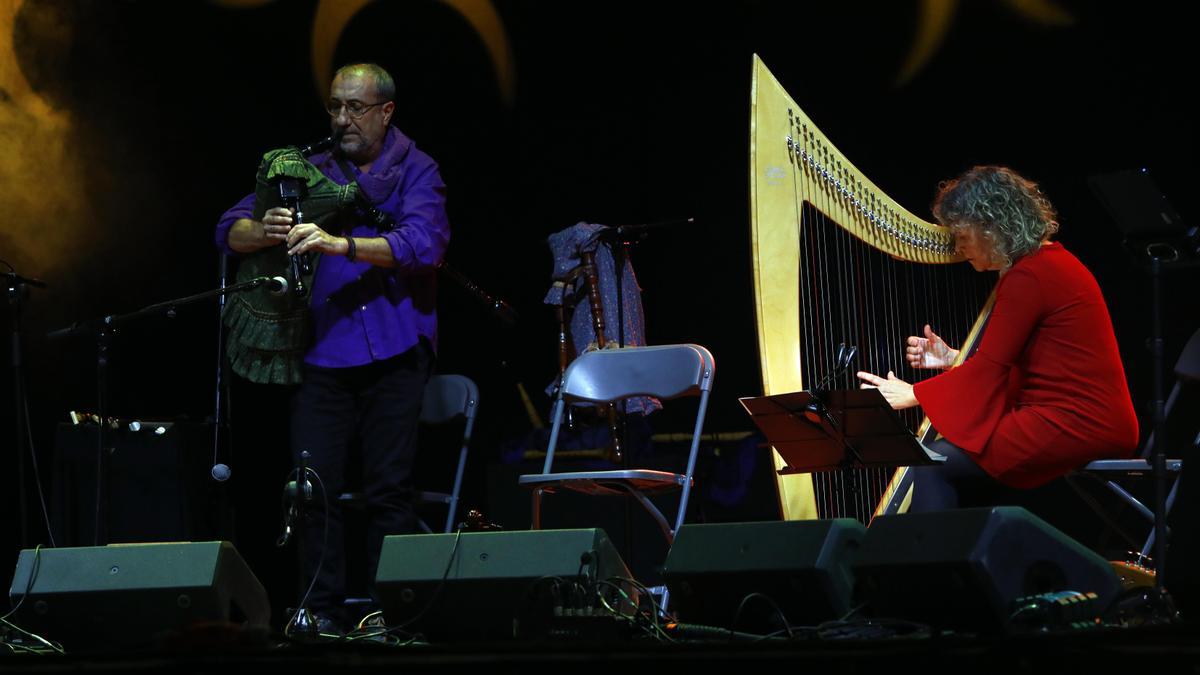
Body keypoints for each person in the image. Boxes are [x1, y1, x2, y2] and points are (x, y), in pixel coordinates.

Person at [215, 63, 450, 632]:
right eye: (335, 106)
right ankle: (317, 611)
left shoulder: (418, 169)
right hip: (322, 351)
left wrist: (340, 244)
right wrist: (263, 230)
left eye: (356, 108)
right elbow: (228, 226)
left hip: (396, 348)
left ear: (386, 111)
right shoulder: (309, 167)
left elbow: (424, 244)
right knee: (312, 488)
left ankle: (387, 611)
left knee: (388, 490)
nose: (342, 119)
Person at [856, 166, 1138, 511]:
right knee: (955, 461)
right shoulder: (1042, 264)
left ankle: (926, 564)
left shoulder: (1031, 275)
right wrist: (952, 359)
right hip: (1067, 416)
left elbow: (991, 368)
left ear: (992, 227)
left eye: (962, 234)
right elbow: (1035, 360)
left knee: (932, 461)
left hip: (1078, 421)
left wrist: (912, 393)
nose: (957, 246)